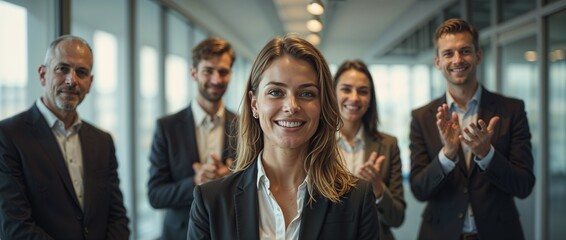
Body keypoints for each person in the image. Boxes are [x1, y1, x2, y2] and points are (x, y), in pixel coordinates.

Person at [187, 35, 380, 240]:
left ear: (322, 105)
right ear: (254, 104)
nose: (291, 106)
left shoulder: (357, 198)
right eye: (276, 92)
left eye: (307, 94)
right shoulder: (210, 201)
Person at [409, 18, 535, 240]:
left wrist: (487, 154)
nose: (457, 60)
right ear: (438, 62)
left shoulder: (512, 110)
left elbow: (524, 185)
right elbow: (419, 190)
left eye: (465, 51)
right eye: (448, 53)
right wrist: (446, 155)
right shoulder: (421, 117)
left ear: (478, 56)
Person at [0, 35, 130, 239]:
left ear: (90, 82)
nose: (72, 80)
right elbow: (15, 226)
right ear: (43, 75)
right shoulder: (8, 136)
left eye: (82, 72)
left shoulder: (103, 141)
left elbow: (117, 217)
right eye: (62, 69)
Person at [147, 37, 237, 240]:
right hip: (179, 234)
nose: (216, 79)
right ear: (194, 73)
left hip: (230, 233)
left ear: (230, 74)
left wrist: (232, 179)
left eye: (223, 71)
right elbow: (155, 195)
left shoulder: (245, 126)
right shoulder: (166, 127)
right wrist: (196, 182)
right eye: (208, 71)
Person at [334, 59, 406, 240]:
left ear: (370, 99)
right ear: (332, 93)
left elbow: (397, 219)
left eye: (363, 91)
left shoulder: (388, 145)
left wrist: (378, 188)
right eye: (346, 89)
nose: (354, 98)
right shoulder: (314, 143)